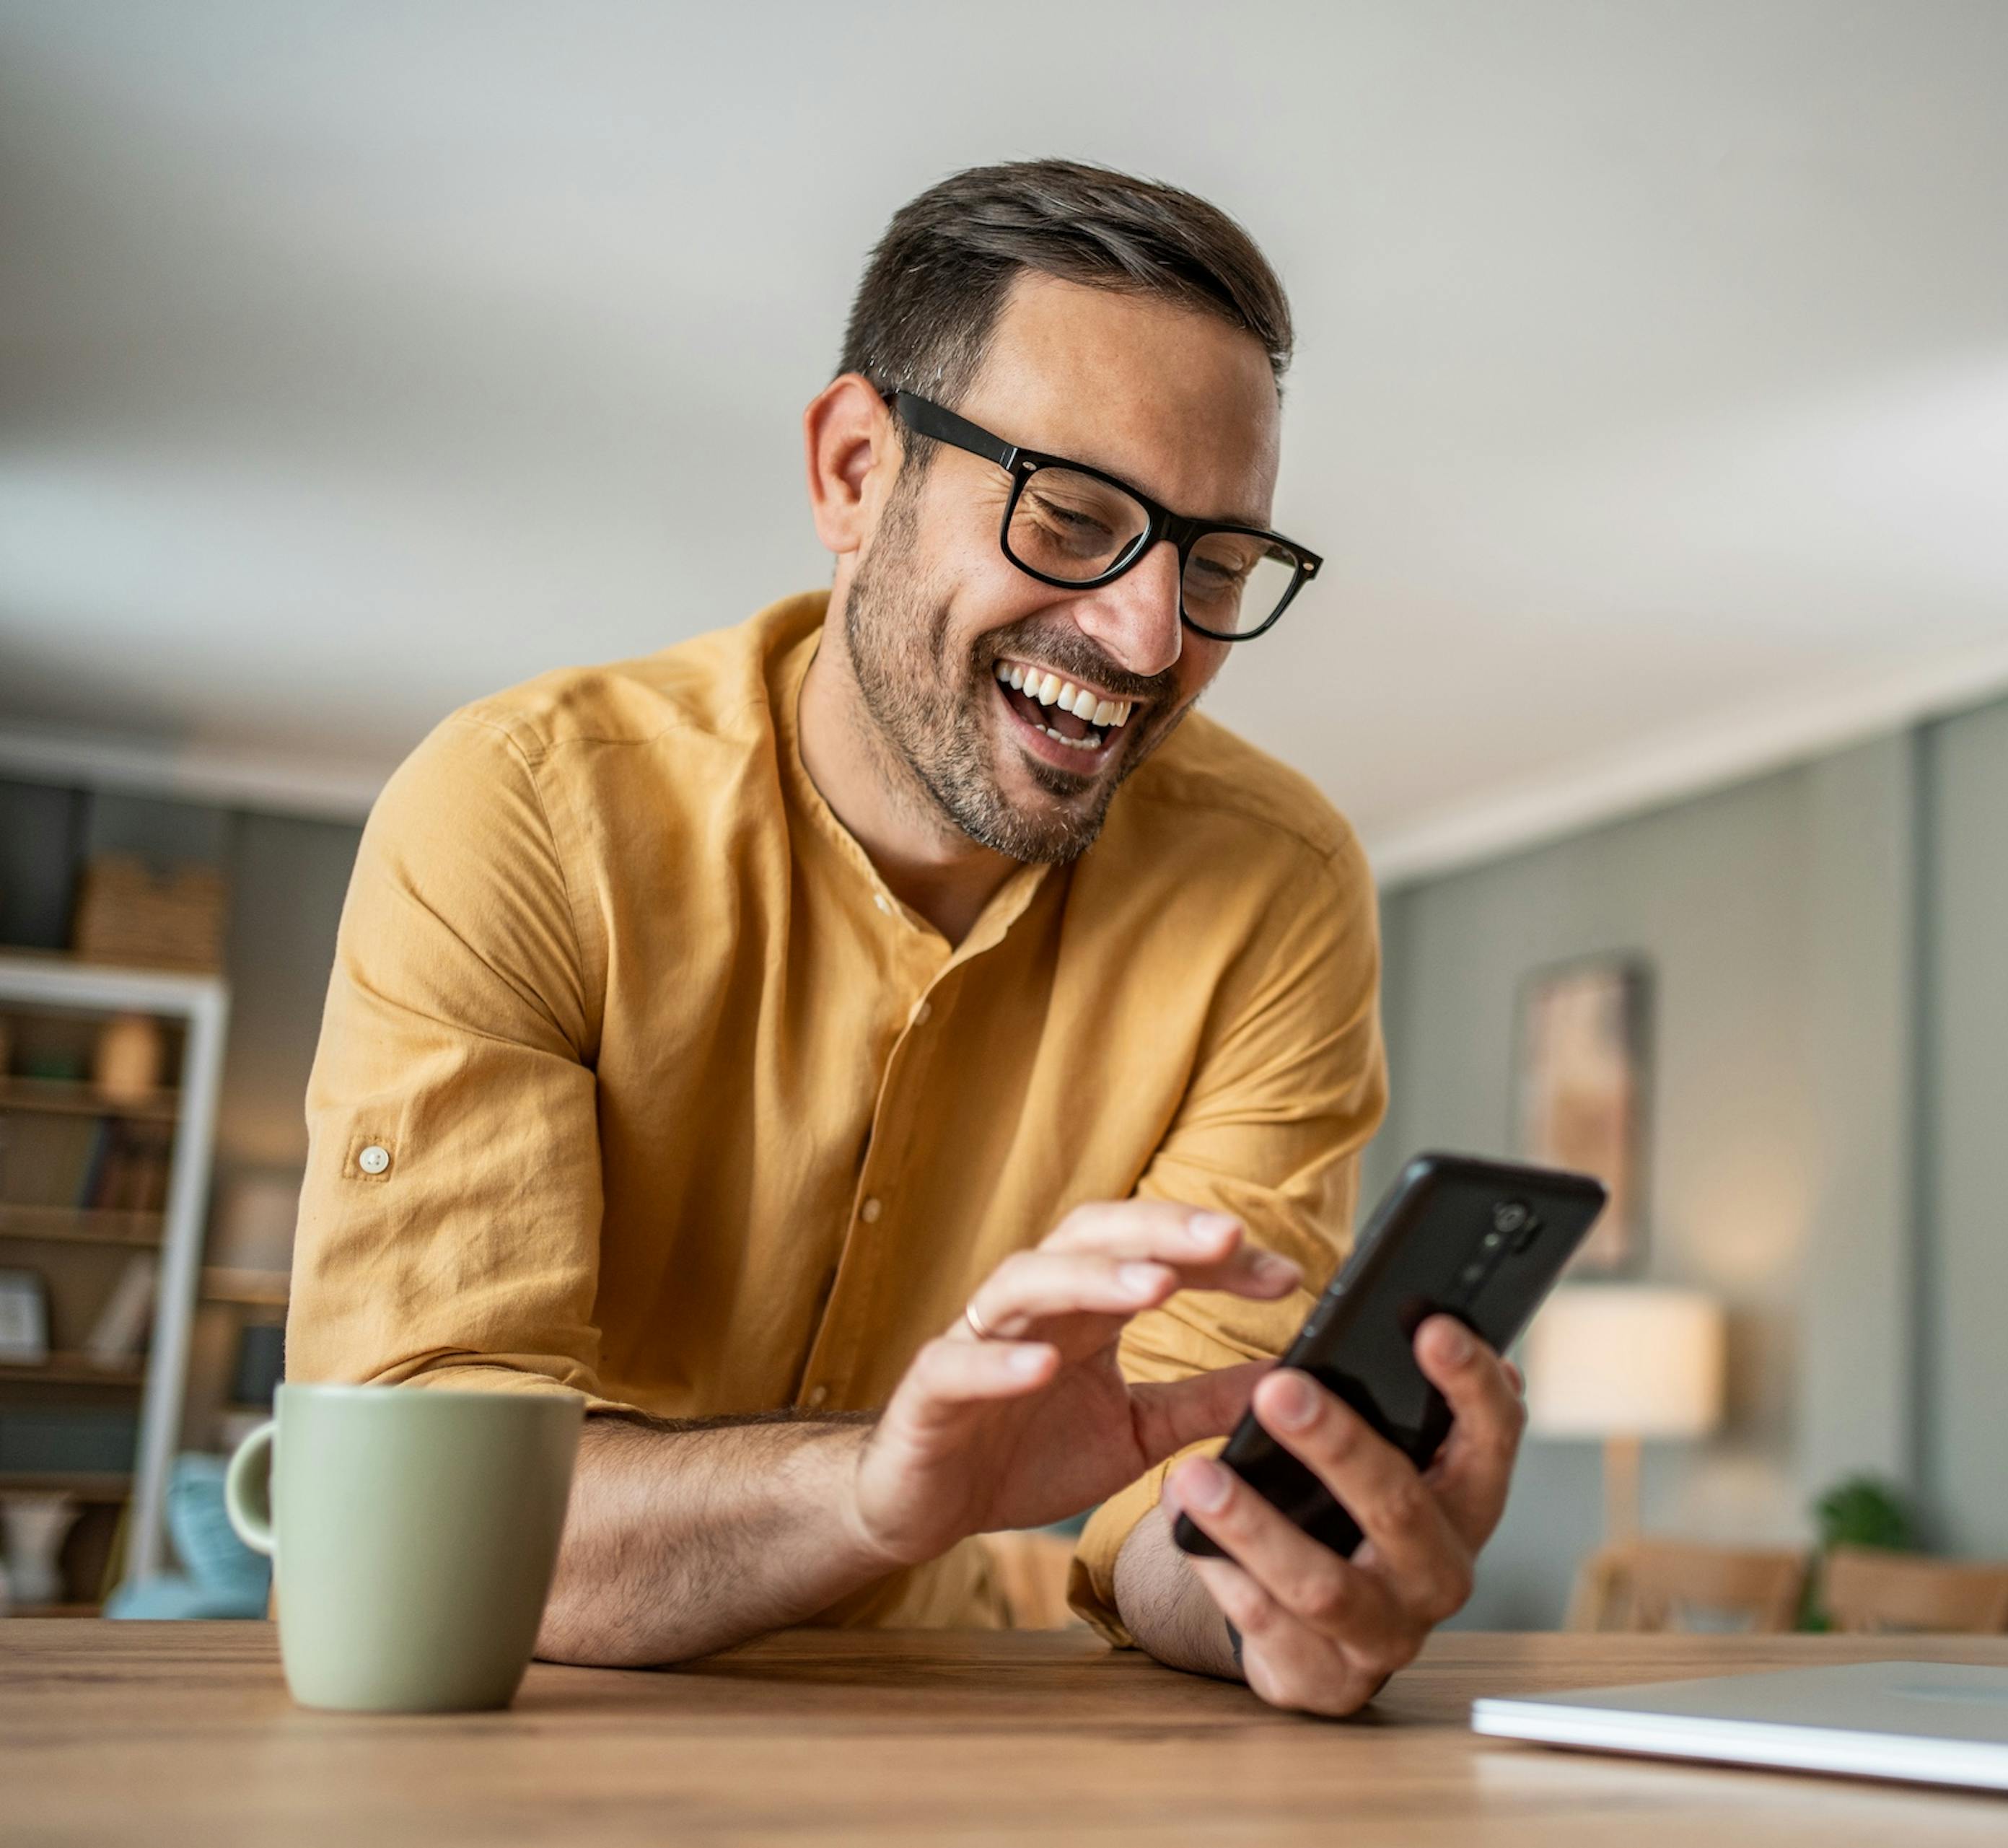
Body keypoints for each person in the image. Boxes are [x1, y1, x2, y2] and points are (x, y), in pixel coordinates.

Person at [287, 159, 1525, 1715]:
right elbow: (431, 1522)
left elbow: (1180, 1479)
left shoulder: (1279, 889)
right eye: (1073, 516)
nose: (1152, 641)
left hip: (943, 1749)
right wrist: (875, 1488)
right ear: (856, 470)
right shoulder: (520, 813)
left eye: (1216, 565)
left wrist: (1277, 1584)